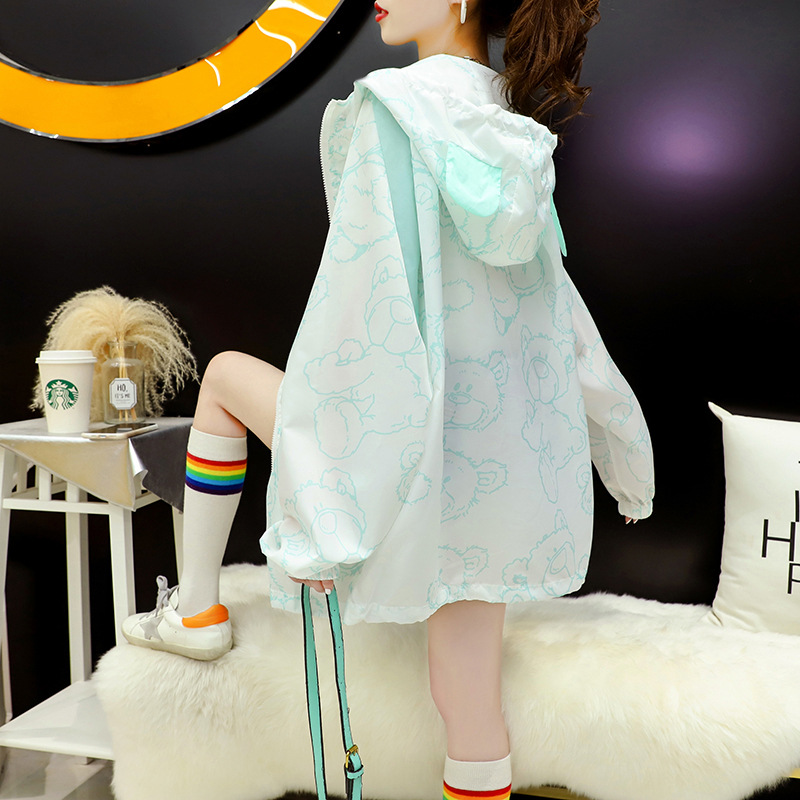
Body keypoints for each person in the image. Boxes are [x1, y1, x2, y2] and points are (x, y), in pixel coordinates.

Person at [123, 1, 655, 798]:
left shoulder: (393, 110)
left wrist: (333, 479)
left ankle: (196, 610)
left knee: (226, 377)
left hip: (398, 436)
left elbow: (360, 306)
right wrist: (622, 445)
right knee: (468, 695)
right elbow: (557, 317)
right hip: (490, 469)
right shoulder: (517, 136)